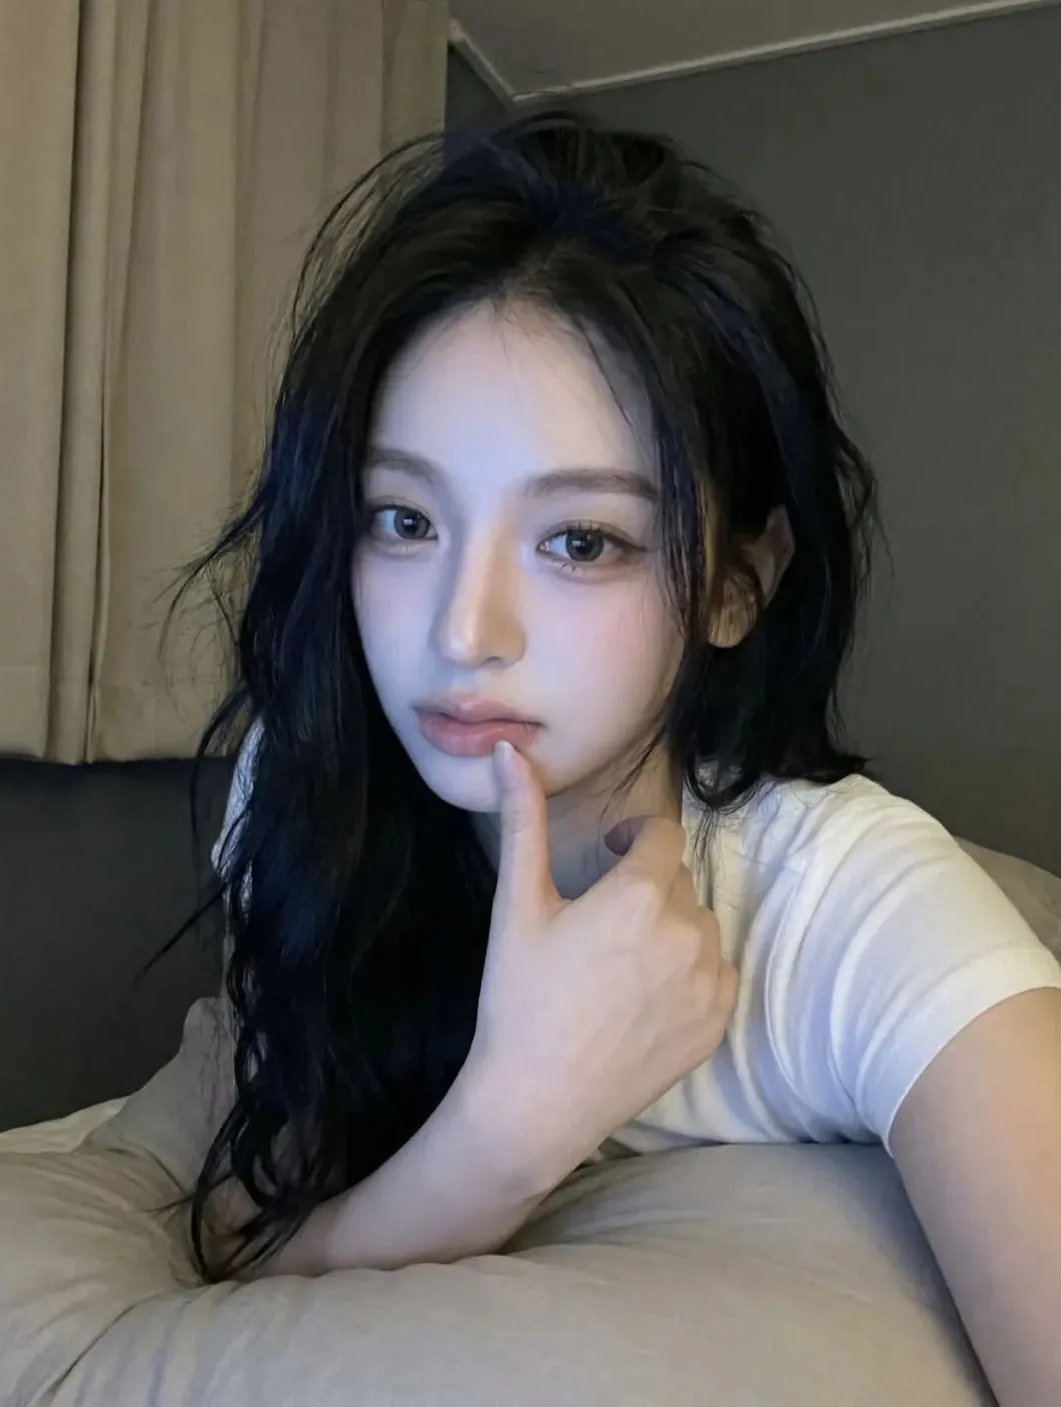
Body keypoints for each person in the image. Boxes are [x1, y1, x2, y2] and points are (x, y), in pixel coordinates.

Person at [106, 111, 1061, 1400]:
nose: (460, 633)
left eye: (580, 541)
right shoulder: (310, 791)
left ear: (734, 584)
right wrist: (514, 1118)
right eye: (402, 519)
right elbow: (243, 1235)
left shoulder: (855, 912)